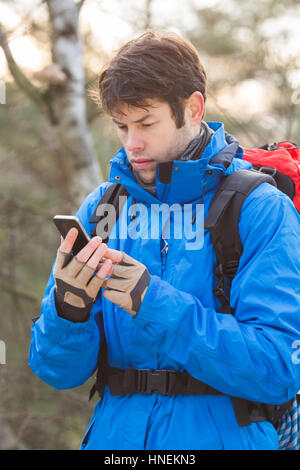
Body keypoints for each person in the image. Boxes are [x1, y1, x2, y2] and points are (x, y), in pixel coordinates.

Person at [29, 31, 300, 450]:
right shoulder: (104, 208)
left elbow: (278, 368)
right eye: (121, 126)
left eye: (146, 123)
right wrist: (68, 310)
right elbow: (55, 371)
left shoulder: (259, 208)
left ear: (193, 109)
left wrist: (152, 303)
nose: (131, 143)